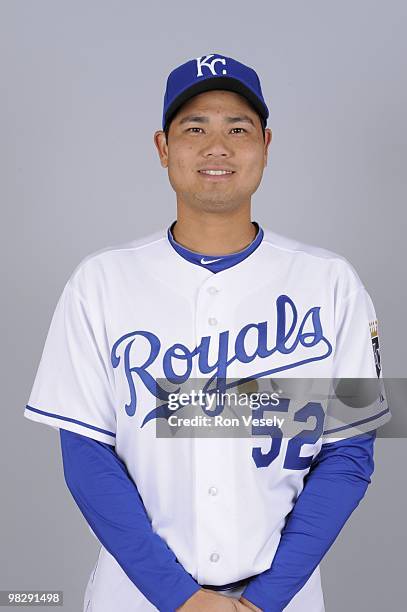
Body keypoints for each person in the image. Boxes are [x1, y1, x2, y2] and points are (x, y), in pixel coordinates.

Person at [24, 53, 391, 611]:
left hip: (282, 597)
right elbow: (85, 456)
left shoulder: (329, 282)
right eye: (194, 128)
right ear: (162, 147)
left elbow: (348, 454)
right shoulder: (100, 281)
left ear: (266, 144)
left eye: (237, 129)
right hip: (137, 596)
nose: (216, 146)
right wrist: (181, 599)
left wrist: (266, 599)